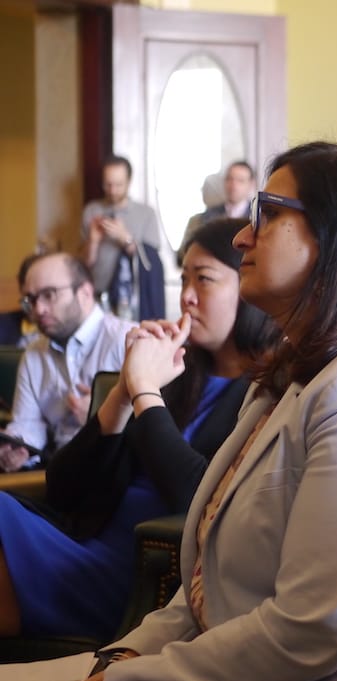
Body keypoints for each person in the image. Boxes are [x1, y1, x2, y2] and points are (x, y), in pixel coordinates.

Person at [5, 141, 337, 681]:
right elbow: (202, 586)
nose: (244, 238)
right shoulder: (294, 378)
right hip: (262, 679)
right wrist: (121, 657)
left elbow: (315, 629)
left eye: (268, 212)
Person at [0, 217, 276, 641]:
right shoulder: (178, 375)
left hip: (148, 577)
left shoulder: (267, 393)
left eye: (203, 280)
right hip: (83, 544)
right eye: (183, 279)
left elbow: (197, 497)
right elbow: (63, 488)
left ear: (250, 288)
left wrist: (146, 389)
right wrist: (124, 390)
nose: (186, 297)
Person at [0, 253, 135, 471]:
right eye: (31, 300)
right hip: (53, 474)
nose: (38, 310)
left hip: (115, 475)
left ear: (85, 292)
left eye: (49, 295)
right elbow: (29, 423)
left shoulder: (128, 341)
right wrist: (19, 446)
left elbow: (156, 431)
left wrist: (102, 417)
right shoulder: (33, 354)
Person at [81, 155, 164, 320]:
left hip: (135, 303)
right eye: (108, 184)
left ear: (129, 181)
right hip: (97, 300)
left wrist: (125, 238)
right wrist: (94, 242)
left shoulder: (146, 213)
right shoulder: (91, 211)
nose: (112, 190)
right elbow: (83, 265)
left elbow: (150, 264)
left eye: (118, 185)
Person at [178, 161, 257, 263]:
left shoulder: (259, 218)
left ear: (251, 184)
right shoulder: (202, 219)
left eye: (240, 181)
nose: (233, 185)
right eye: (229, 179)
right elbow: (183, 254)